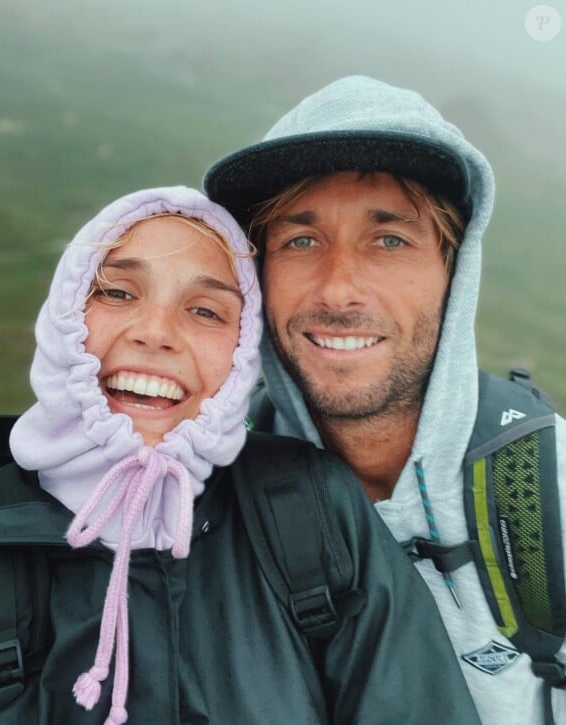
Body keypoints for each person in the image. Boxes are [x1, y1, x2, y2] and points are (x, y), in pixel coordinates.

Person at [0, 185, 480, 724]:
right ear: (63, 310)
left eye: (205, 310)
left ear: (244, 348)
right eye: (117, 293)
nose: (156, 334)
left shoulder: (311, 510)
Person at [204, 75, 566, 725]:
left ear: (454, 269)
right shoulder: (201, 503)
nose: (339, 290)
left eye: (390, 239)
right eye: (301, 239)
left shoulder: (554, 492)